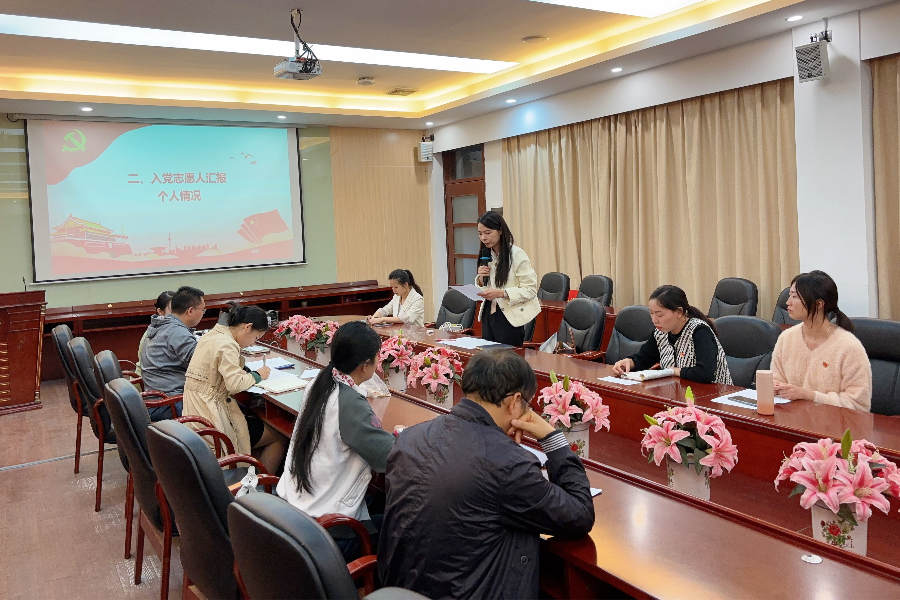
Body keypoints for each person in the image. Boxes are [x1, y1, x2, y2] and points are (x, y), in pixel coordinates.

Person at [378, 350, 594, 600]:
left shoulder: (409, 438)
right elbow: (579, 514)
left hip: (402, 590)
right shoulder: (508, 464)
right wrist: (551, 438)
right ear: (515, 401)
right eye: (527, 404)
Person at [277, 321, 395, 557]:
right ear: (365, 365)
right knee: (403, 526)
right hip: (326, 531)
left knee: (380, 502)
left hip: (294, 511)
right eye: (377, 356)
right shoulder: (349, 404)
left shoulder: (320, 382)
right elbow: (388, 456)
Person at [182, 301, 288, 473]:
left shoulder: (213, 335)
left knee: (252, 425)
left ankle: (249, 474)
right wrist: (257, 375)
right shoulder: (228, 344)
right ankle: (259, 485)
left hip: (195, 411)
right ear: (247, 327)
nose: (253, 344)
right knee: (279, 436)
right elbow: (235, 384)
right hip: (212, 417)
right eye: (256, 338)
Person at [771, 271, 872, 411]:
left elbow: (858, 405)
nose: (788, 302)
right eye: (789, 295)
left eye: (795, 297)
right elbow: (777, 380)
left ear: (819, 304)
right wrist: (774, 387)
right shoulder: (786, 338)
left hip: (833, 422)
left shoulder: (849, 346)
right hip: (792, 418)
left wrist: (809, 395)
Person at [613, 285, 733, 385]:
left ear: (679, 312)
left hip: (714, 395)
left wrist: (675, 371)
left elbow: (705, 373)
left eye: (659, 315)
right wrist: (629, 362)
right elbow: (645, 358)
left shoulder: (699, 331)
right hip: (680, 391)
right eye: (651, 314)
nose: (654, 320)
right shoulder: (661, 332)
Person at [474, 210, 540, 346]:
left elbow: (530, 290)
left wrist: (502, 293)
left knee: (507, 357)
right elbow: (486, 286)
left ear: (500, 231)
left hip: (510, 315)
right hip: (488, 312)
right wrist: (481, 278)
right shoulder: (487, 254)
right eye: (480, 234)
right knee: (488, 355)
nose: (483, 238)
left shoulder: (517, 255)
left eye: (488, 232)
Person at [140, 286, 206, 418]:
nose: (203, 313)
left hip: (158, 397)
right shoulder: (176, 331)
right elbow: (202, 363)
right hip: (168, 403)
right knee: (224, 409)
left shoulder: (164, 325)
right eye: (203, 310)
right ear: (190, 311)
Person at [135, 290, 173, 378]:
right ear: (160, 311)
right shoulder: (160, 332)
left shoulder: (159, 327)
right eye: (173, 310)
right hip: (148, 380)